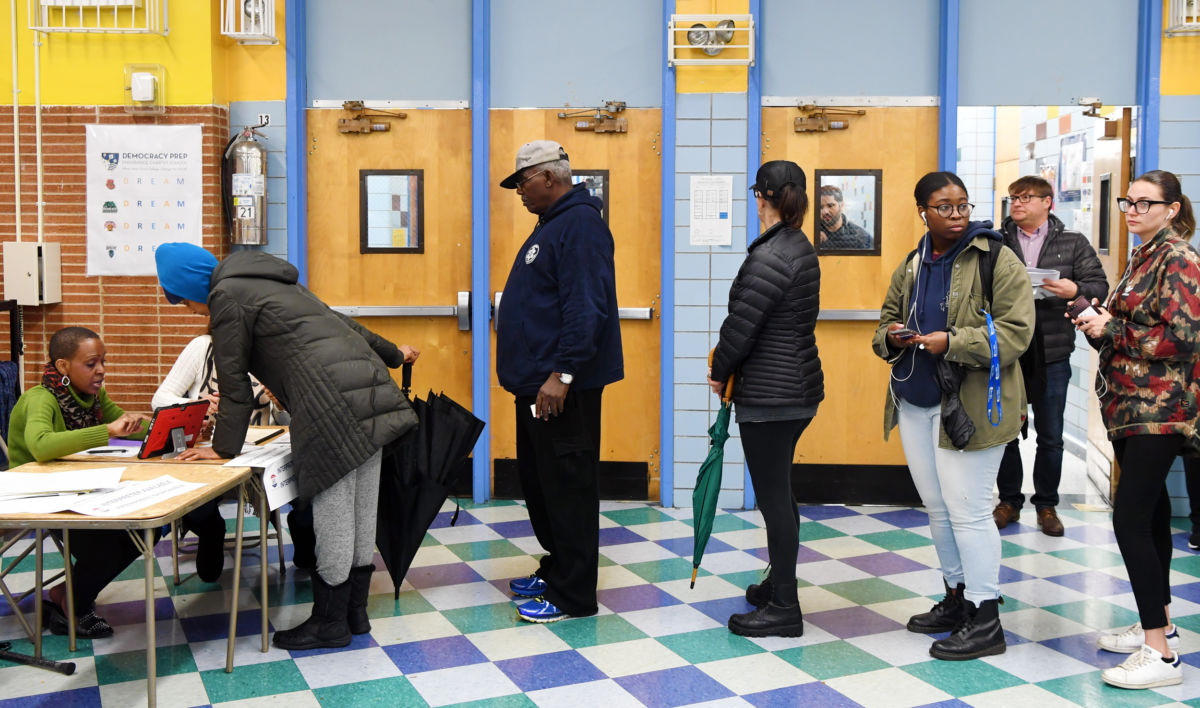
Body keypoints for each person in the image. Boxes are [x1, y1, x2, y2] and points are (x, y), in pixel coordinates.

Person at [154, 242, 419, 650]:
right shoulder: (273, 283)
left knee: (334, 510)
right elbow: (347, 325)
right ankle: (355, 613)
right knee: (362, 504)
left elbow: (234, 381)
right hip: (371, 388)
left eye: (185, 304)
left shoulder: (225, 296)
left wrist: (223, 448)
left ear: (189, 289)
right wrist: (394, 357)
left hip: (329, 401)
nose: (193, 313)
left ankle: (329, 623)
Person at [872, 171, 1033, 661]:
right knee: (939, 509)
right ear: (922, 210)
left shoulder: (996, 257)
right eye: (944, 206)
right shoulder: (914, 262)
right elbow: (883, 323)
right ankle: (958, 598)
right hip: (916, 402)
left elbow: (1016, 332)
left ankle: (987, 619)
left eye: (962, 204)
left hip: (972, 408)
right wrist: (893, 337)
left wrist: (953, 342)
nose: (957, 214)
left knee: (969, 511)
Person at [1073, 170, 1200, 690]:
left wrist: (1112, 328)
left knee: (1129, 519)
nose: (1133, 210)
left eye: (1147, 203)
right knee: (1150, 514)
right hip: (1131, 406)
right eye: (1130, 201)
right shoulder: (1145, 254)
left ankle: (1160, 653)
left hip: (1162, 410)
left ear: (1172, 209)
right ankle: (1162, 622)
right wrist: (1097, 320)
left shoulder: (1180, 258)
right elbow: (1139, 326)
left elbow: (1184, 338)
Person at [496, 140, 623, 623]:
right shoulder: (554, 224)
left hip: (562, 389)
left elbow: (585, 306)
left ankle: (574, 595)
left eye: (522, 183)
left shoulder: (582, 226)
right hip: (537, 386)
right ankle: (556, 568)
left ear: (549, 177)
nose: (519, 193)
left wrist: (563, 373)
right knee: (544, 485)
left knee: (568, 488)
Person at [709, 160, 823, 637]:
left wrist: (720, 371)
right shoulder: (798, 246)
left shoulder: (770, 255)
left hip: (771, 397)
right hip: (796, 390)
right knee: (781, 493)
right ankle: (779, 581)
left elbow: (742, 326)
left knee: (774, 500)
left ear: (764, 197)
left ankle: (784, 607)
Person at [7, 328, 180, 637]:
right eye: (91, 363)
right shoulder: (40, 398)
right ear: (63, 367)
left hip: (77, 489)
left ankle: (69, 595)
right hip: (39, 497)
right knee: (106, 546)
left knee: (147, 530)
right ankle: (73, 603)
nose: (101, 370)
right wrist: (108, 430)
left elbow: (124, 427)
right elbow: (41, 445)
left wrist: (172, 430)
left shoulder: (92, 397)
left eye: (103, 361)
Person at [993, 176, 1108, 536]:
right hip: (1007, 350)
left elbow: (1099, 286)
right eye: (1013, 197)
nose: (1018, 204)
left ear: (1048, 203)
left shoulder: (1073, 243)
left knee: (1051, 434)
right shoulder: (997, 241)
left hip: (1053, 350)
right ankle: (1009, 501)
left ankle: (1047, 506)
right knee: (1004, 431)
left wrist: (1075, 289)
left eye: (1026, 198)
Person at [153, 335, 316, 570]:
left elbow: (289, 421)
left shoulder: (276, 353)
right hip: (210, 454)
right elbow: (159, 399)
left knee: (308, 498)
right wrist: (199, 403)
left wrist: (281, 405)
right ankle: (213, 532)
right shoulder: (203, 347)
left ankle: (305, 552)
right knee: (196, 507)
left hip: (263, 457)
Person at [818, 185, 871, 249]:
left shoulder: (860, 236)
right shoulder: (812, 231)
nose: (825, 211)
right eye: (820, 207)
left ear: (842, 205)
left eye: (830, 206)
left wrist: (826, 244)